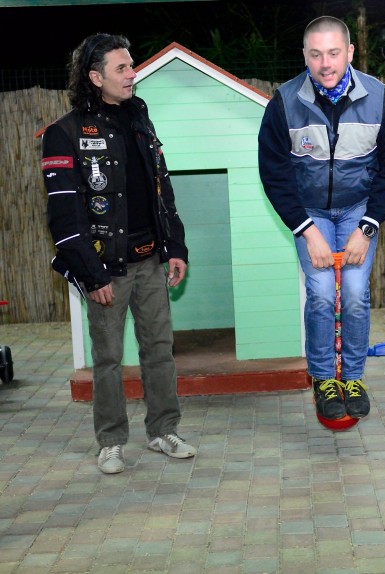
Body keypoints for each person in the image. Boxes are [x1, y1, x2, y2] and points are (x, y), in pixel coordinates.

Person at [41, 33, 197, 474]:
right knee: (108, 359)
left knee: (160, 350)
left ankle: (163, 430)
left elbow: (162, 189)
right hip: (106, 270)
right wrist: (92, 276)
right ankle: (110, 442)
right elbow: (63, 216)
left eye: (132, 66)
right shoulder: (64, 133)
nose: (133, 74)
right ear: (96, 77)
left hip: (151, 261)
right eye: (122, 68)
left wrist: (175, 246)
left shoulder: (140, 119)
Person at [258, 16, 385, 421]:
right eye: (316, 54)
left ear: (350, 52)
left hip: (359, 208)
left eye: (334, 53)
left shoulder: (380, 99)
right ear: (305, 56)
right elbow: (274, 174)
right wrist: (307, 231)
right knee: (323, 293)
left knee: (355, 294)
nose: (325, 64)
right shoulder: (284, 103)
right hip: (310, 212)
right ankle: (324, 378)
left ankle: (353, 377)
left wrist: (368, 226)